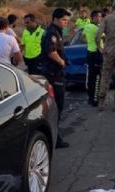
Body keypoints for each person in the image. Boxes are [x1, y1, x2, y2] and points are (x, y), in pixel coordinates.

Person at [41, 8, 72, 148]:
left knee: (57, 108)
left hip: (56, 74)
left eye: (67, 20)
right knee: (56, 108)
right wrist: (62, 62)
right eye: (64, 20)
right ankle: (55, 139)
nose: (66, 23)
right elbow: (51, 52)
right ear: (55, 19)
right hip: (54, 75)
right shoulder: (52, 32)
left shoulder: (57, 31)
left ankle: (55, 137)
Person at [84, 10, 104, 106]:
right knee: (97, 78)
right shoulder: (96, 28)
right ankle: (95, 100)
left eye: (100, 16)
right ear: (93, 18)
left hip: (89, 52)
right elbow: (102, 37)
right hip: (96, 53)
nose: (100, 18)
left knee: (91, 78)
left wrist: (89, 42)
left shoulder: (87, 26)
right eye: (98, 17)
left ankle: (91, 98)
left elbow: (83, 37)